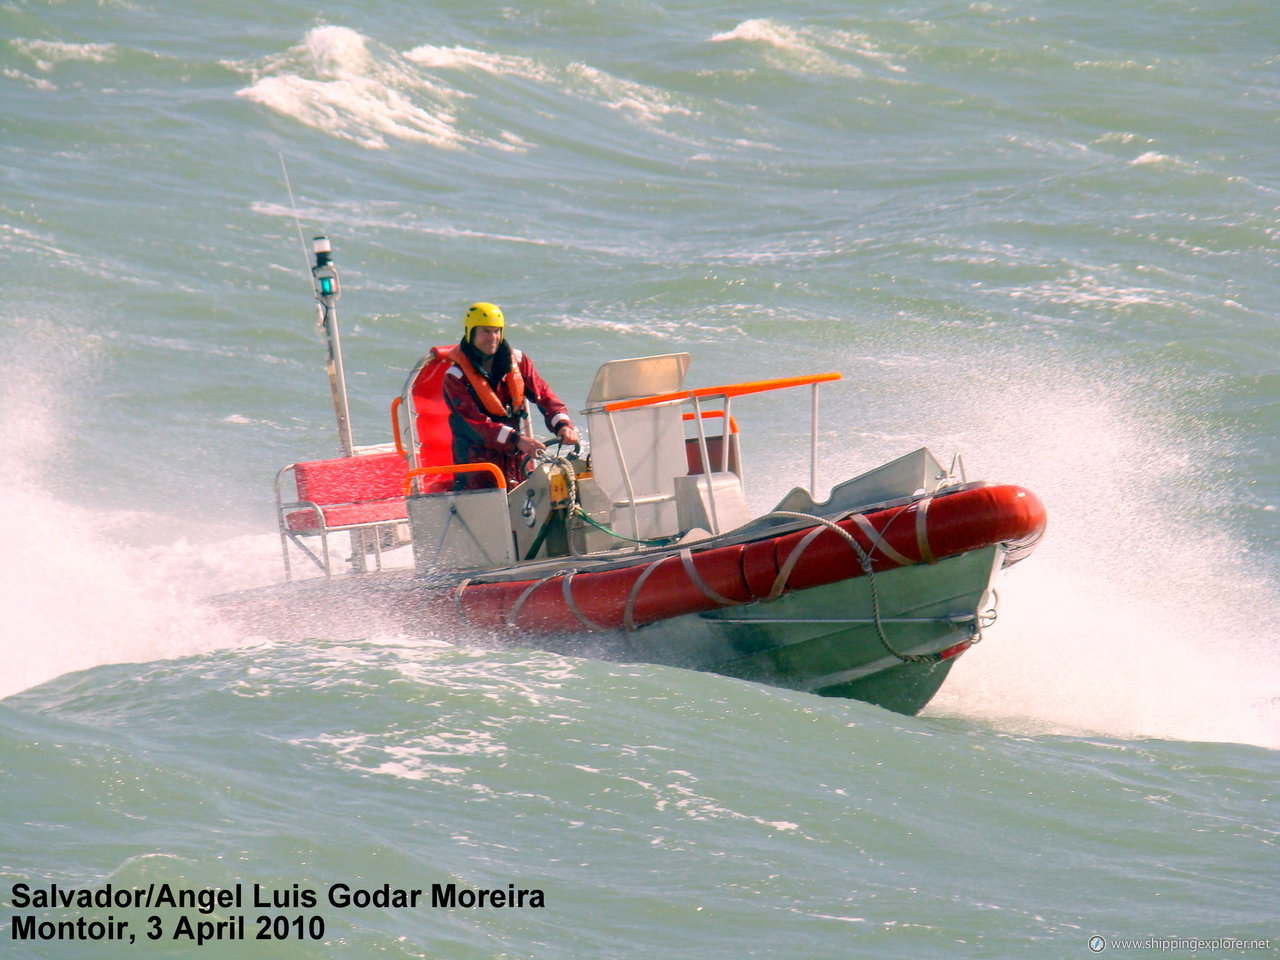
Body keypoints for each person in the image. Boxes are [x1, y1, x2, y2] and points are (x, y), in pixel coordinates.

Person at [443, 302, 580, 489]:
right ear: (470, 332)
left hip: (517, 463)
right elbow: (477, 425)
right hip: (477, 471)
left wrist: (563, 426)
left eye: (496, 331)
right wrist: (517, 441)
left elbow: (545, 396)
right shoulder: (455, 377)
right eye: (485, 331)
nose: (492, 337)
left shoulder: (518, 362)